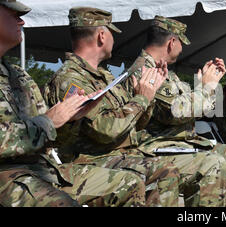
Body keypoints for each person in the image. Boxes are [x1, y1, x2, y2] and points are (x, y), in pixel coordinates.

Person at [44, 7, 226, 207]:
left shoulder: (104, 76)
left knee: (182, 168)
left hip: (122, 154)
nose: (113, 40)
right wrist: (142, 99)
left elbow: (136, 123)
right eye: (110, 33)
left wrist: (146, 99)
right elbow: (105, 131)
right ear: (101, 36)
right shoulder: (70, 80)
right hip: (93, 159)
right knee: (168, 172)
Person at [0, 1, 148, 207]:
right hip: (8, 174)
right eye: (13, 14)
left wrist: (70, 120)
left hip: (41, 168)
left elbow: (52, 139)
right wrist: (47, 122)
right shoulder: (69, 77)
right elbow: (48, 126)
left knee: (130, 183)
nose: (22, 20)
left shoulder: (18, 75)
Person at [120, 16, 226, 207]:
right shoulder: (146, 71)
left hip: (181, 142)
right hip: (159, 146)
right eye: (181, 43)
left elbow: (194, 108)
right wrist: (206, 88)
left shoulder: (166, 71)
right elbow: (175, 112)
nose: (182, 49)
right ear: (171, 42)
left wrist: (206, 85)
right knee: (214, 163)